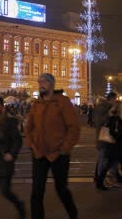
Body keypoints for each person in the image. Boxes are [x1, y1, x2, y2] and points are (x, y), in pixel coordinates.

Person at [25, 73, 80, 219]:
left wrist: (64, 149)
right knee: (36, 191)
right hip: (39, 154)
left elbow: (74, 128)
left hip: (59, 155)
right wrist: (32, 145)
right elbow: (28, 127)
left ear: (51, 84)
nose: (40, 84)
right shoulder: (37, 104)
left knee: (61, 189)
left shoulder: (62, 102)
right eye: (39, 82)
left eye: (44, 81)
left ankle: (73, 214)